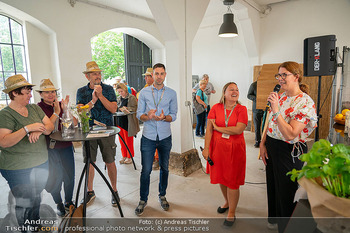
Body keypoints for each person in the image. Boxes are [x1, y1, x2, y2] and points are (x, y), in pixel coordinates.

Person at [259, 61, 317, 233]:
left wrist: (276, 110)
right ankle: (275, 219)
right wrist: (262, 144)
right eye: (279, 75)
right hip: (271, 145)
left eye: (285, 75)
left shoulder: (305, 102)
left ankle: (286, 228)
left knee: (287, 191)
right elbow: (268, 120)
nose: (280, 79)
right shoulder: (281, 96)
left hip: (288, 150)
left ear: (296, 77)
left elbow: (290, 134)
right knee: (273, 185)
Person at [0, 74, 54, 229]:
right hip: (17, 168)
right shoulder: (5, 115)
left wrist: (39, 129)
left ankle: (35, 225)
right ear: (14, 93)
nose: (31, 95)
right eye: (27, 92)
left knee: (36, 199)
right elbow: (3, 142)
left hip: (40, 163)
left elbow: (49, 127)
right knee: (24, 203)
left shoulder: (34, 108)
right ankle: (26, 229)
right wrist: (27, 128)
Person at [202, 82, 247, 227]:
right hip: (217, 149)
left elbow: (238, 129)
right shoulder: (215, 108)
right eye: (231, 89)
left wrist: (218, 128)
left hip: (235, 149)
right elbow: (209, 130)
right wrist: (206, 148)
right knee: (221, 177)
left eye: (237, 89)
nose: (235, 91)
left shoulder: (242, 109)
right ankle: (227, 202)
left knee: (232, 181)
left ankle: (232, 212)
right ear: (224, 93)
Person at [135, 63, 178, 216]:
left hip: (165, 136)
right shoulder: (144, 93)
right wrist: (149, 116)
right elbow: (139, 114)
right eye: (156, 73)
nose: (159, 76)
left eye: (161, 73)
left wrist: (164, 117)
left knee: (165, 168)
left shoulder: (172, 93)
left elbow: (174, 115)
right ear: (152, 75)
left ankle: (162, 195)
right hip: (148, 136)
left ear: (165, 75)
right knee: (146, 170)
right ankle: (142, 199)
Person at [76, 61, 119, 206]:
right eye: (94, 73)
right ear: (88, 76)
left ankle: (114, 190)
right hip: (88, 131)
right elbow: (81, 111)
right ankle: (90, 191)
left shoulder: (108, 89)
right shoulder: (81, 92)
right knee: (89, 162)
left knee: (110, 160)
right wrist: (93, 100)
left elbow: (113, 109)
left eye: (99, 73)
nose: (98, 76)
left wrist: (100, 96)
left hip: (107, 131)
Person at [36, 78, 76, 217]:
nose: (51, 94)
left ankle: (69, 201)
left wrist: (66, 110)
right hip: (50, 148)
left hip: (66, 146)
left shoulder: (60, 104)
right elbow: (47, 128)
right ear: (40, 94)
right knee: (54, 178)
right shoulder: (38, 108)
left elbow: (74, 124)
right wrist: (56, 112)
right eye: (46, 92)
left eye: (53, 91)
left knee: (69, 175)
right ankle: (58, 203)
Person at [136, 68, 160, 170]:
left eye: (147, 76)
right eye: (145, 76)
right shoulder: (145, 88)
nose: (145, 78)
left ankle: (158, 159)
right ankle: (152, 158)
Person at [115, 83, 140, 164]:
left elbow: (135, 108)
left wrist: (127, 108)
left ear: (125, 90)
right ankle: (124, 155)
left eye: (121, 91)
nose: (120, 93)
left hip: (128, 122)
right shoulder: (118, 98)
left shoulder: (131, 97)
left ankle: (130, 157)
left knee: (128, 140)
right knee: (121, 140)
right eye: (119, 92)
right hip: (120, 122)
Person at [247, 78, 264, 148]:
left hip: (266, 108)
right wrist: (257, 99)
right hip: (256, 109)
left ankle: (264, 142)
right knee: (257, 126)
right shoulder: (254, 85)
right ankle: (257, 141)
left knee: (265, 127)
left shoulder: (266, 85)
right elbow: (249, 95)